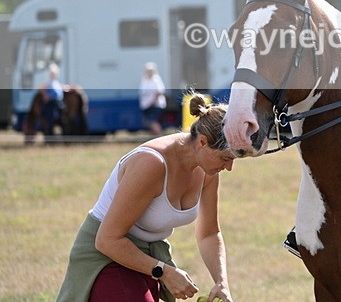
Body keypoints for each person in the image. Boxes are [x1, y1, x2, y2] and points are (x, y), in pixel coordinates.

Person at [56, 94, 235, 302]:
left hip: (146, 259)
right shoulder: (152, 163)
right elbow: (106, 240)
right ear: (203, 142)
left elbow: (209, 233)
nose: (229, 167)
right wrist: (164, 272)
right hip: (106, 257)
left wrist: (221, 282)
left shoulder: (209, 171)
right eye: (226, 158)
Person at [140, 62, 167, 134]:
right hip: (147, 105)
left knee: (152, 121)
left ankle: (158, 136)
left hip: (154, 105)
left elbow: (159, 92)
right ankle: (155, 136)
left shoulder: (156, 79)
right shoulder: (145, 79)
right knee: (149, 121)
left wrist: (153, 102)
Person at [40, 62, 64, 136]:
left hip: (58, 103)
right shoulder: (48, 82)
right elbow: (41, 89)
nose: (53, 74)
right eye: (52, 73)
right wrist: (46, 95)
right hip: (51, 104)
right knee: (51, 120)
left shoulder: (56, 82)